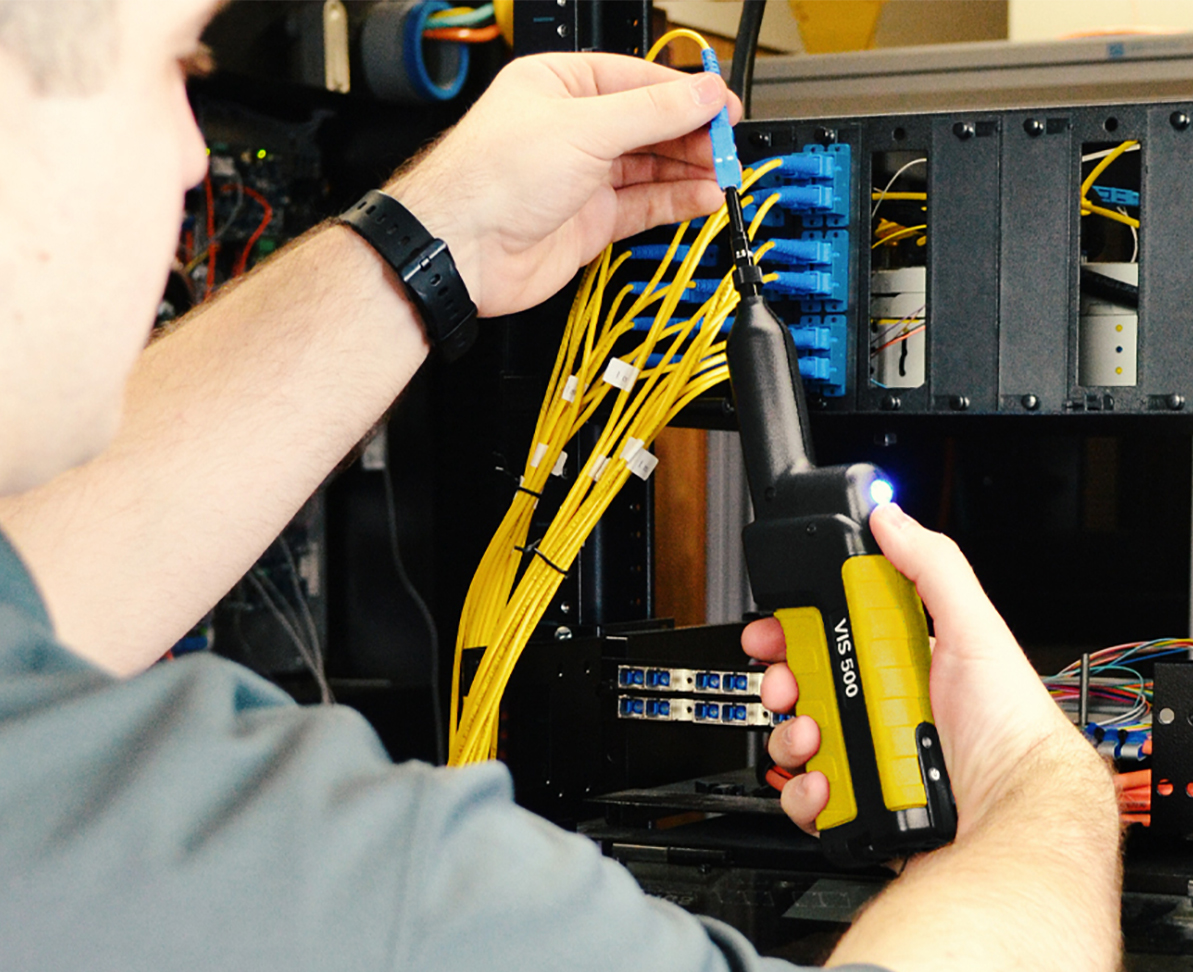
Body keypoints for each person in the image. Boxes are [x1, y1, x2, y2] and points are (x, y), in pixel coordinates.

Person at [0, 2, 1122, 970]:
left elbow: (57, 573)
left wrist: (438, 237)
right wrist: (1034, 782)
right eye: (177, 67)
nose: (193, 157)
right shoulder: (319, 878)